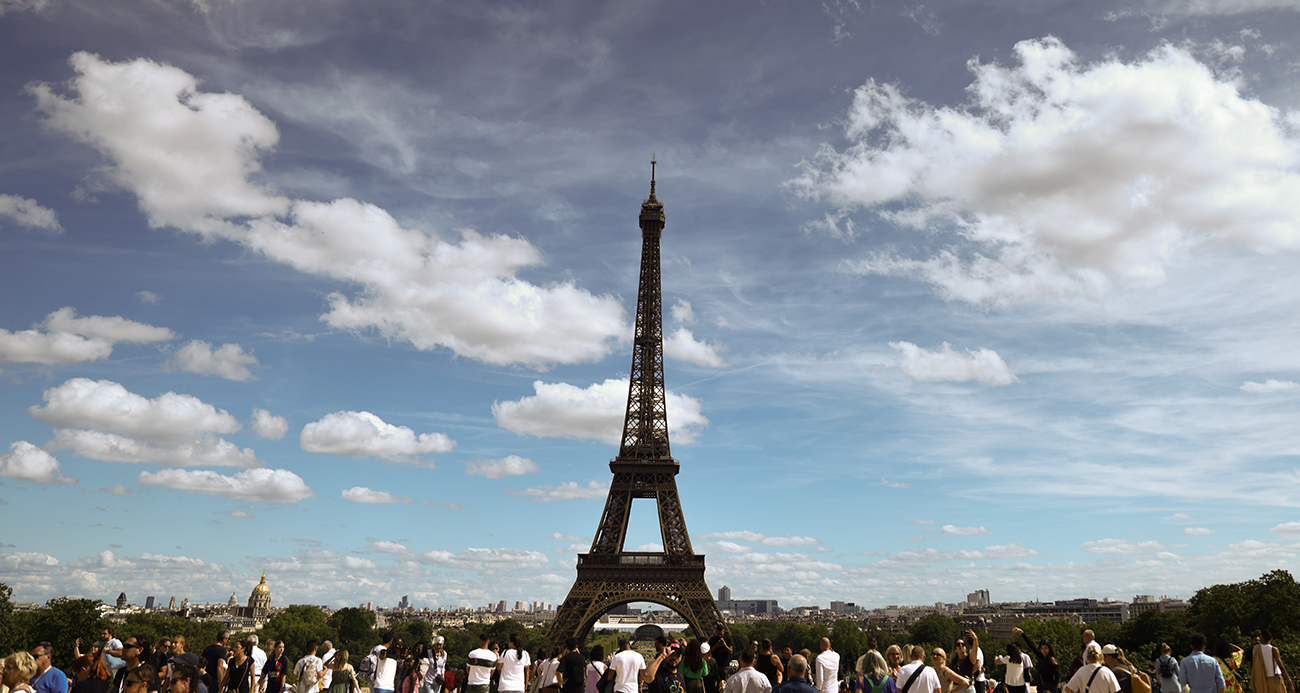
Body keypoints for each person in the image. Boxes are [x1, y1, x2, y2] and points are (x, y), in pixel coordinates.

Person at [1012, 629, 1058, 693]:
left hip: (1049, 689)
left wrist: (1051, 690)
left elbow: (1057, 676)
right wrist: (1022, 633)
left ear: (1049, 648)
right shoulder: (1042, 657)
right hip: (1042, 688)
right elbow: (1032, 646)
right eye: (1042, 648)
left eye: (1045, 648)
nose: (1043, 650)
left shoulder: (1052, 659)